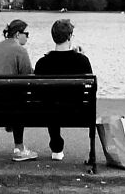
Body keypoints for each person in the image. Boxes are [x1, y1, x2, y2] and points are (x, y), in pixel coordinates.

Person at [34, 18, 93, 161]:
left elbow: (37, 93)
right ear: (69, 37)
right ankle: (92, 153)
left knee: (50, 102)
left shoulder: (42, 63)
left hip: (47, 112)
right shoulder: (82, 61)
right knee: (62, 102)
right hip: (77, 111)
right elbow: (91, 90)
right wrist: (81, 56)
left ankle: (56, 147)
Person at [0, 18, 38, 162]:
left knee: (12, 94)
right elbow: (29, 79)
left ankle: (10, 124)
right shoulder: (20, 50)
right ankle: (19, 148)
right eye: (26, 33)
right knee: (20, 97)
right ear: (18, 34)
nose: (27, 37)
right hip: (9, 106)